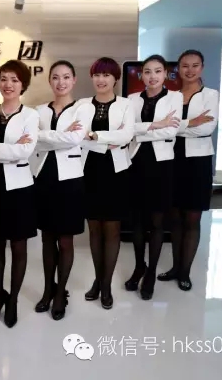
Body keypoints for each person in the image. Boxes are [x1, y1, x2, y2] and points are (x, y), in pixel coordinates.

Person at [0, 59, 38, 328]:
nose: (8, 84)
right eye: (3, 79)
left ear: (23, 84)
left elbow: (25, 152)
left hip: (20, 188)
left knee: (19, 246)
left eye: (14, 80)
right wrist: (3, 149)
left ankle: (13, 301)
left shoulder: (30, 115)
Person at [32, 60, 92, 320]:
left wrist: (44, 135)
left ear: (74, 80)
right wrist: (58, 136)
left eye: (66, 77)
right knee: (47, 238)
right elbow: (33, 141)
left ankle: (60, 293)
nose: (61, 82)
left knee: (65, 240)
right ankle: (48, 289)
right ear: (49, 81)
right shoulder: (39, 110)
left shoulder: (83, 108)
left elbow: (74, 139)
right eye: (55, 77)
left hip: (70, 180)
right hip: (43, 177)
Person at [158, 49, 219, 291]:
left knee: (192, 218)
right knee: (174, 218)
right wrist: (190, 123)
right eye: (185, 65)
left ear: (202, 67)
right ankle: (175, 267)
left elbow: (206, 129)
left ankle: (185, 272)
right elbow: (163, 128)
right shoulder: (170, 96)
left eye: (195, 65)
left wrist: (177, 126)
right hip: (172, 160)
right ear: (178, 69)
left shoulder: (210, 95)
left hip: (198, 162)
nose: (190, 70)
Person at [125, 55, 183, 300]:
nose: (152, 76)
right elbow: (126, 130)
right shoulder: (131, 99)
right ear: (141, 75)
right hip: (135, 162)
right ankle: (139, 266)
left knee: (157, 222)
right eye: (147, 71)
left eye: (158, 71)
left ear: (166, 74)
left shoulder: (175, 97)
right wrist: (156, 125)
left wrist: (142, 129)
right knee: (137, 220)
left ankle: (151, 272)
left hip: (161, 165)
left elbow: (171, 132)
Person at [80, 57, 134, 310]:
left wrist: (95, 135)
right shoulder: (82, 105)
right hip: (89, 170)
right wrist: (107, 140)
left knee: (112, 230)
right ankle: (97, 279)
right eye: (97, 75)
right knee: (94, 230)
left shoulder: (126, 104)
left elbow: (127, 135)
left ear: (115, 79)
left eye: (106, 75)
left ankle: (106, 285)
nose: (101, 80)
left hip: (116, 172)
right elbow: (78, 137)